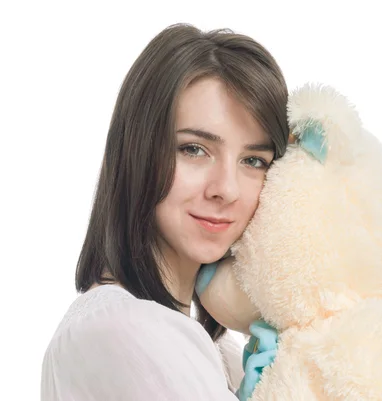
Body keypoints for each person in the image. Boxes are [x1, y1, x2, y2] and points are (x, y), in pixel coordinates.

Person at [41, 23, 288, 400]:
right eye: (194, 149)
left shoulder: (217, 347)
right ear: (137, 151)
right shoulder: (126, 329)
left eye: (253, 160)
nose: (226, 189)